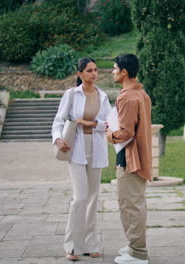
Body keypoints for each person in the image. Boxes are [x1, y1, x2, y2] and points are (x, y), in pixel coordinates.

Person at [52, 57, 111, 261]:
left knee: (93, 198)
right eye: (89, 71)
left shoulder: (102, 96)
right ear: (80, 74)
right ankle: (73, 247)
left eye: (95, 70)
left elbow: (109, 125)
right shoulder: (71, 94)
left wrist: (90, 123)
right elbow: (59, 120)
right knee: (80, 198)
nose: (94, 74)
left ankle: (90, 244)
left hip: (96, 148)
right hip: (76, 148)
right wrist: (58, 139)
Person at [106, 54, 152, 264]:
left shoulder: (126, 97)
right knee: (134, 203)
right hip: (138, 156)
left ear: (124, 72)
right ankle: (134, 247)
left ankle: (138, 252)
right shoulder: (142, 94)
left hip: (130, 158)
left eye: (115, 69)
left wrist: (109, 134)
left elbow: (125, 133)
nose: (112, 72)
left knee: (130, 204)